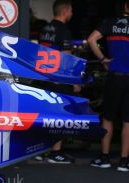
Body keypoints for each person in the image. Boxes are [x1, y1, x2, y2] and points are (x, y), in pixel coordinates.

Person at [88, 0, 129, 172]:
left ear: (125, 6)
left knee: (108, 118)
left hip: (115, 76)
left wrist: (103, 59)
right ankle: (124, 161)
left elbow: (91, 40)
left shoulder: (109, 22)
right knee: (128, 120)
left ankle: (104, 157)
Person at [36, 0, 79, 164]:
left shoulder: (44, 29)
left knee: (46, 115)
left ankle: (42, 150)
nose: (72, 14)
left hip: (44, 77)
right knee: (60, 116)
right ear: (65, 11)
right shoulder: (65, 31)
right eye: (71, 11)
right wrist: (75, 81)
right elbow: (67, 59)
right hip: (58, 80)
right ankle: (55, 152)